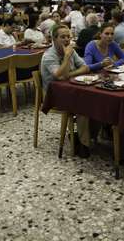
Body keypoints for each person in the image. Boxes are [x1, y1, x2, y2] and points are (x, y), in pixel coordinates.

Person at [41, 24, 90, 157]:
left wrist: (69, 74)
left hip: (72, 88)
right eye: (63, 37)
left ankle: (84, 137)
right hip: (54, 95)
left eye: (68, 36)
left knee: (94, 101)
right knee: (84, 106)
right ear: (54, 39)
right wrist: (67, 57)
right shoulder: (49, 56)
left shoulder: (71, 51)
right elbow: (57, 75)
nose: (67, 39)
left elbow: (85, 68)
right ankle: (84, 144)